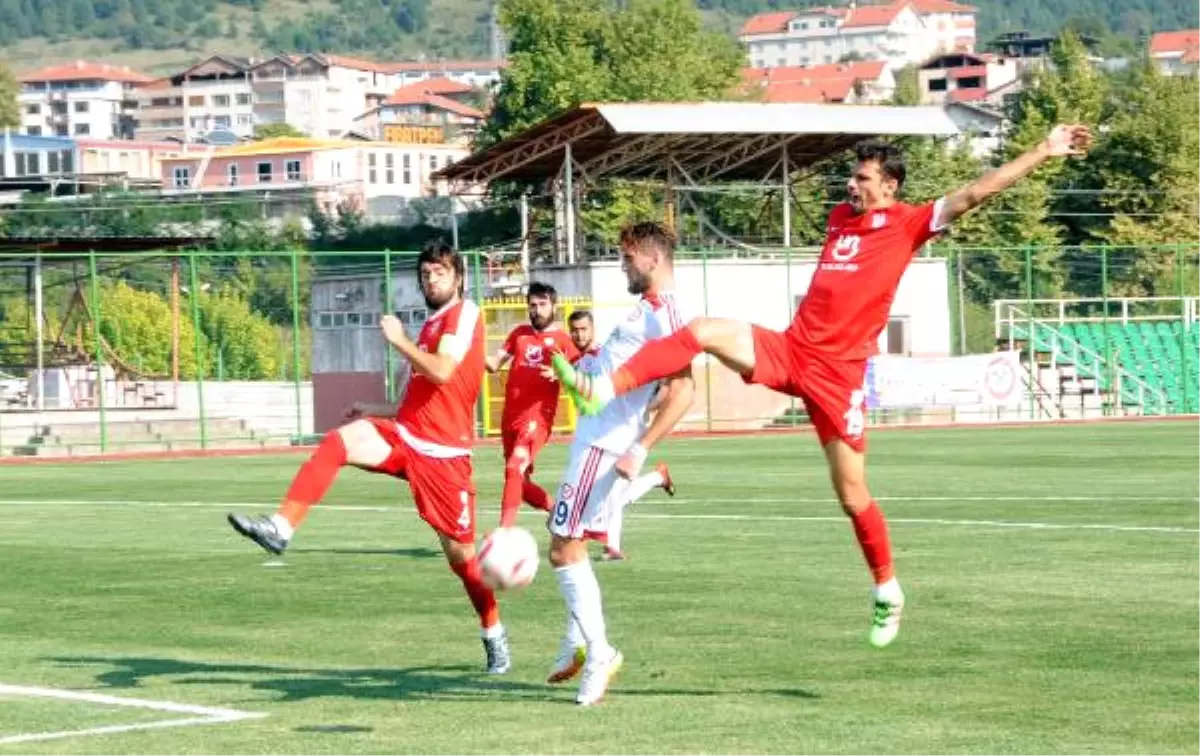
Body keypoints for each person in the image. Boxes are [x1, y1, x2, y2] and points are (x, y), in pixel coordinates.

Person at [553, 125, 1094, 649]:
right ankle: (604, 388)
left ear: (890, 186)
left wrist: (1045, 150)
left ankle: (887, 589)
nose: (851, 185)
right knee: (701, 331)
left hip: (838, 377)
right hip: (793, 349)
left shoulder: (908, 224)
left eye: (862, 178)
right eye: (851, 177)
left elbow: (977, 191)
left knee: (851, 494)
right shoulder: (839, 218)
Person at [226, 239, 512, 674]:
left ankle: (493, 633)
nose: (430, 278)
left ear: (458, 278)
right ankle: (281, 527)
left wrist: (398, 340)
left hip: (444, 457)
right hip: (407, 435)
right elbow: (422, 399)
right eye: (425, 273)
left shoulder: (465, 313)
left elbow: (443, 371)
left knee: (463, 561)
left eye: (438, 271)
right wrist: (375, 410)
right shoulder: (432, 324)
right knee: (338, 441)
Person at [544, 221, 696, 706]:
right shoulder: (646, 309)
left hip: (604, 444)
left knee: (562, 548)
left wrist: (641, 444)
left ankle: (600, 651)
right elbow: (628, 379)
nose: (622, 266)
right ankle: (575, 643)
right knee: (575, 546)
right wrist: (578, 372)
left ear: (651, 259)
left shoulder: (668, 316)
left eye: (627, 258)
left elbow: (683, 389)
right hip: (596, 436)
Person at [565, 308, 676, 562]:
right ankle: (656, 479)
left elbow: (662, 388)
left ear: (593, 330)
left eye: (583, 329)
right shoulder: (577, 363)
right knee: (615, 490)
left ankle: (609, 543)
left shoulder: (607, 355)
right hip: (596, 435)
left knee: (613, 488)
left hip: (621, 434)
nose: (579, 335)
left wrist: (645, 407)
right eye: (574, 330)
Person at [486, 282, 578, 527]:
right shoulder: (519, 334)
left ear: (554, 306)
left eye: (542, 304)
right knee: (520, 484)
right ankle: (562, 514)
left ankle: (504, 533)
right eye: (532, 305)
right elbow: (494, 364)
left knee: (514, 467)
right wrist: (467, 352)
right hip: (510, 418)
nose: (536, 309)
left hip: (537, 417)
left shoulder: (563, 341)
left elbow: (580, 372)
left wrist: (561, 374)